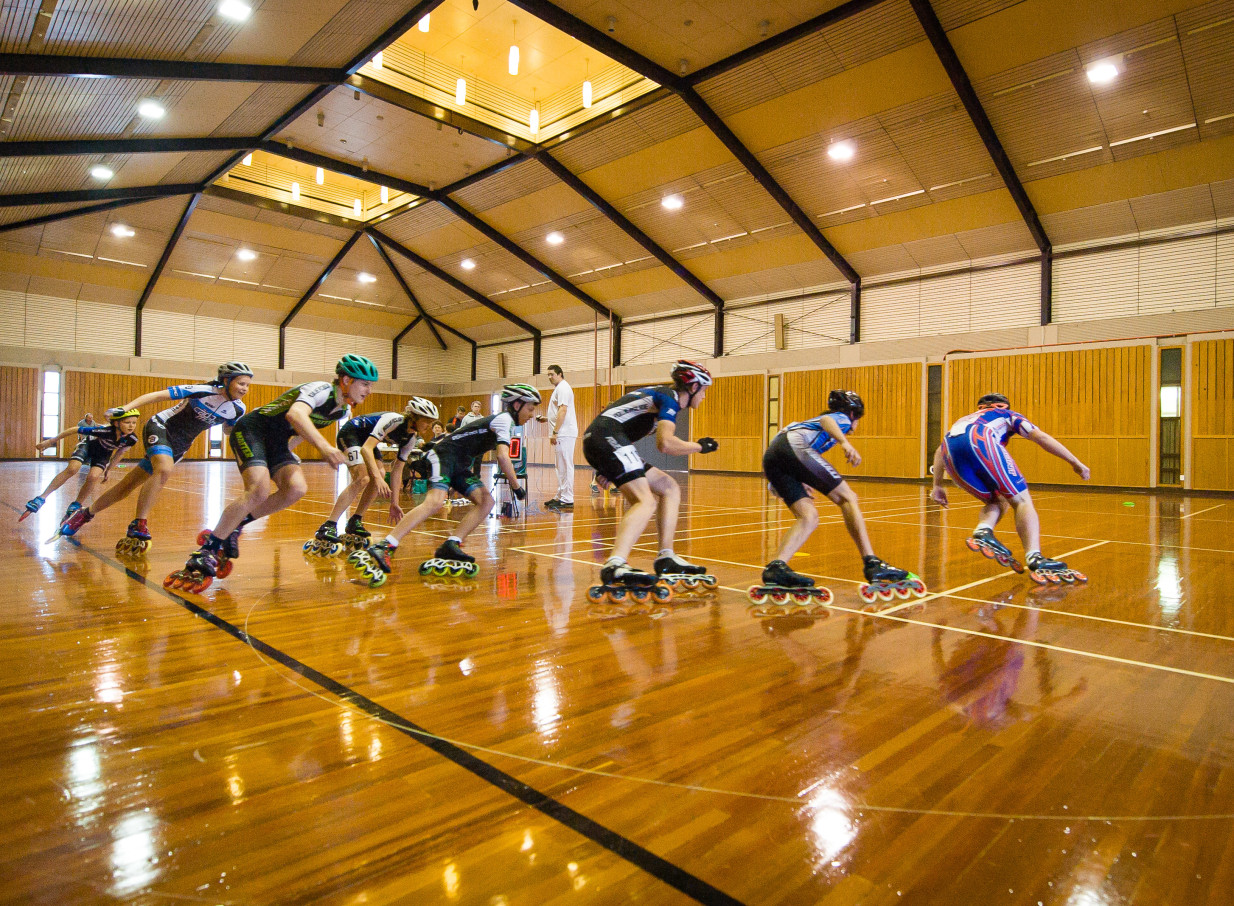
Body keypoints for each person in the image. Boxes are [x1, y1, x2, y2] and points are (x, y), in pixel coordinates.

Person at [164, 354, 378, 593]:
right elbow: (295, 415)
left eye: (370, 385)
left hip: (277, 442)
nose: (369, 390)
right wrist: (324, 447)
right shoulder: (321, 389)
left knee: (296, 488)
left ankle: (236, 525)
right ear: (347, 380)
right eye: (365, 384)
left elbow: (299, 431)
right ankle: (207, 550)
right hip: (253, 430)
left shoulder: (340, 412)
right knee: (259, 489)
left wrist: (288, 453)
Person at [749, 390, 926, 606]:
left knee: (808, 517)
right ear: (853, 414)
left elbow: (782, 449)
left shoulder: (808, 426)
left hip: (774, 455)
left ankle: (776, 568)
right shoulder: (842, 419)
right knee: (848, 498)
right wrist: (845, 443)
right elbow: (826, 420)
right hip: (792, 447)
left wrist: (784, 478)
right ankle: (872, 562)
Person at [350, 384, 540, 582]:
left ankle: (452, 544)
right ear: (517, 405)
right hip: (444, 455)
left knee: (486, 502)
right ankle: (386, 545)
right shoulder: (504, 420)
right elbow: (502, 456)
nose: (532, 415)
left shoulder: (506, 422)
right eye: (530, 409)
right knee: (435, 502)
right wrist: (517, 487)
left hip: (460, 463)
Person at [59, 362, 253, 553]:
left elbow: (228, 429)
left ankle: (84, 514)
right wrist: (126, 407)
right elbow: (156, 396)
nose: (244, 388)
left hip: (181, 444)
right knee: (164, 469)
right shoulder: (203, 390)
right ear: (226, 381)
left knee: (128, 485)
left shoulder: (238, 409)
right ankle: (139, 523)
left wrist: (241, 428)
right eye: (241, 383)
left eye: (247, 385)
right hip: (162, 427)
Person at [581, 360, 719, 599]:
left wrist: (606, 469)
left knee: (668, 486)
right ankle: (615, 564)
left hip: (605, 440)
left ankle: (666, 557)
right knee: (645, 501)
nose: (705, 397)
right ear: (693, 387)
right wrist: (699, 446)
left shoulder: (659, 396)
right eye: (704, 390)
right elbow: (665, 443)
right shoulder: (670, 398)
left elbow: (622, 426)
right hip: (606, 439)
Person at [930, 392, 1090, 584]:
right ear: (1002, 406)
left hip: (949, 449)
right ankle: (1034, 556)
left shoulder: (964, 419)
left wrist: (937, 485)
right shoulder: (1007, 415)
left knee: (997, 499)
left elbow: (940, 450)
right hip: (980, 439)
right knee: (1021, 500)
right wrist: (1075, 462)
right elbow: (1041, 437)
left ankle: (983, 530)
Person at [306, 397, 440, 556]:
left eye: (432, 422)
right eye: (427, 421)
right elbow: (366, 449)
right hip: (351, 433)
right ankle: (329, 524)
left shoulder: (411, 439)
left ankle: (355, 520)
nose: (429, 426)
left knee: (381, 473)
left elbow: (397, 470)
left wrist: (394, 503)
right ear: (414, 417)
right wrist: (377, 479)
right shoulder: (394, 420)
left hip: (366, 440)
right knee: (363, 478)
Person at [24, 409, 140, 524]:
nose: (131, 426)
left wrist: (109, 469)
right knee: (72, 468)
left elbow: (120, 453)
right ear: (116, 423)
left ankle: (76, 505)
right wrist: (50, 441)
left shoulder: (131, 439)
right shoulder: (104, 431)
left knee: (93, 477)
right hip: (88, 447)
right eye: (127, 422)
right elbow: (74, 429)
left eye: (134, 423)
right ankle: (42, 497)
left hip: (103, 454)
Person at [542, 365, 577, 511]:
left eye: (552, 374)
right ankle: (561, 496)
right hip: (561, 432)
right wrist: (546, 419)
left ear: (560, 374)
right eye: (548, 374)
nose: (550, 377)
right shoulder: (559, 388)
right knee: (560, 467)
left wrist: (555, 432)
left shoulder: (563, 387)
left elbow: (563, 410)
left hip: (564, 433)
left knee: (566, 465)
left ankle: (567, 499)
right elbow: (558, 412)